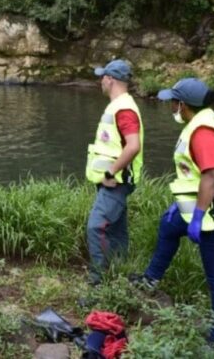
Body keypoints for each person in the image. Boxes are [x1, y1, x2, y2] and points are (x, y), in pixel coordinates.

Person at [131, 78, 214, 348]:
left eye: (173, 102)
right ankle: (150, 280)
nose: (170, 107)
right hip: (206, 207)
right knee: (168, 227)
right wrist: (182, 203)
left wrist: (198, 216)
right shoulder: (200, 124)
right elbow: (196, 174)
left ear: (184, 105)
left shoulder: (204, 133)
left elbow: (211, 174)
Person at [85, 59, 144, 285]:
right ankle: (120, 274)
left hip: (115, 182)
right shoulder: (119, 105)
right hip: (113, 181)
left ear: (110, 79)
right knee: (117, 232)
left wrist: (110, 173)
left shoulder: (124, 109)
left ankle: (98, 282)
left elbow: (133, 146)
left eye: (103, 77)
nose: (101, 81)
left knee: (96, 227)